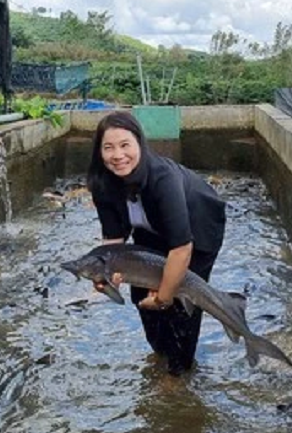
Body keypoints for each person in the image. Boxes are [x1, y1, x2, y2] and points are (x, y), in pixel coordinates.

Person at [86, 111, 226, 375]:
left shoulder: (162, 178)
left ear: (140, 143)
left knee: (183, 296)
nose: (118, 155)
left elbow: (182, 249)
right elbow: (114, 245)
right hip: (150, 230)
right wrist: (103, 273)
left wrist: (164, 297)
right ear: (99, 152)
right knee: (140, 294)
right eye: (109, 148)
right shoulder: (103, 183)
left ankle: (180, 371)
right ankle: (161, 354)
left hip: (198, 228)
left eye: (125, 145)